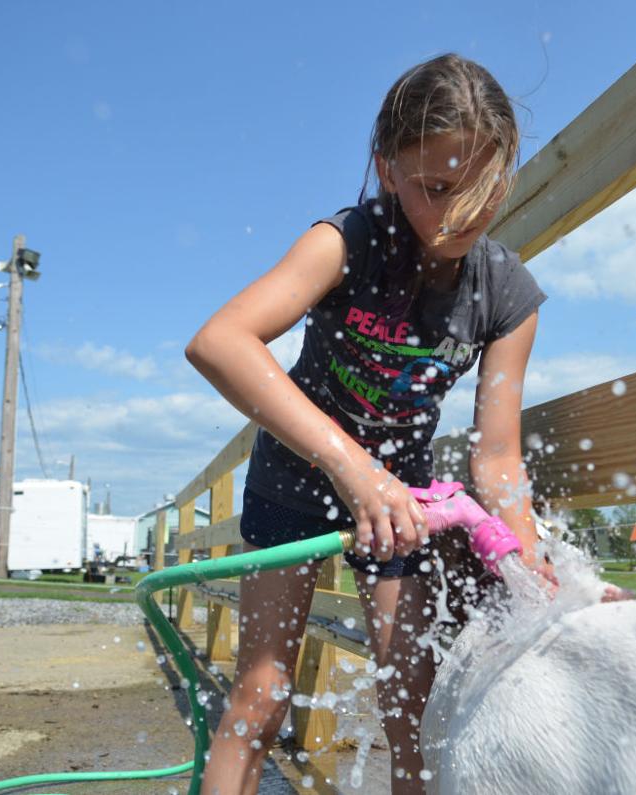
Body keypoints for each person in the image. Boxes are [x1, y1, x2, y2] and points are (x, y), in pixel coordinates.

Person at [185, 53, 548, 794]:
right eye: (436, 188)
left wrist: (532, 567)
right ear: (387, 168)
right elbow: (219, 342)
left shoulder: (507, 293)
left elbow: (499, 457)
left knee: (415, 700)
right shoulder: (343, 242)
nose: (460, 214)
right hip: (298, 476)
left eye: (482, 189)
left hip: (401, 504)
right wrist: (352, 467)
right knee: (262, 690)